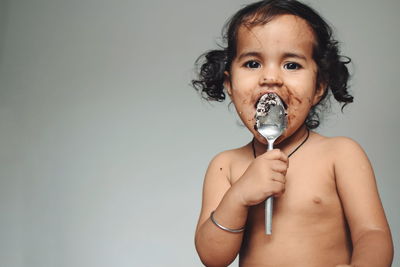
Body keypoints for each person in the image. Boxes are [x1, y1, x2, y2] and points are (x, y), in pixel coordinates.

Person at [191, 0, 394, 266]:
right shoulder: (226, 166)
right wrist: (238, 196)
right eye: (253, 64)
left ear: (319, 86)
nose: (271, 78)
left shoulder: (340, 154)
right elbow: (212, 257)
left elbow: (373, 234)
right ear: (229, 84)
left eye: (291, 65)